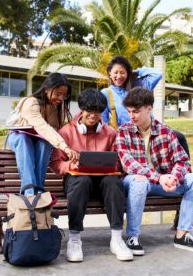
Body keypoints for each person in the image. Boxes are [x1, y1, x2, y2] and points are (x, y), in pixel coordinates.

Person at [115, 87, 193, 255]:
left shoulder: (165, 131)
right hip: (137, 182)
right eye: (129, 112)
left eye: (135, 111)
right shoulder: (123, 132)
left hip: (164, 183)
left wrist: (174, 177)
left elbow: (182, 160)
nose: (131, 116)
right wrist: (159, 178)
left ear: (149, 108)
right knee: (139, 180)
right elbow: (129, 165)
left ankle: (182, 234)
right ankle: (132, 237)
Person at [50, 89, 133, 262]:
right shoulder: (66, 132)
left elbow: (119, 160)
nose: (94, 116)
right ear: (81, 109)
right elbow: (56, 163)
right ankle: (74, 238)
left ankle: (117, 239)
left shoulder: (110, 132)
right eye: (90, 111)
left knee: (113, 181)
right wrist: (70, 165)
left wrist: (113, 165)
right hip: (77, 183)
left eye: (98, 112)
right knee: (81, 180)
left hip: (103, 183)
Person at [100, 56, 191, 157]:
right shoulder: (106, 93)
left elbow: (157, 74)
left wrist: (137, 71)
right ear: (109, 72)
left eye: (122, 72)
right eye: (115, 72)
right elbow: (104, 123)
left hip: (150, 131)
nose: (119, 76)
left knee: (179, 137)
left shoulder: (140, 85)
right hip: (127, 135)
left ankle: (185, 170)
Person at [5, 72, 79, 195]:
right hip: (18, 138)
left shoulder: (56, 108)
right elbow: (44, 128)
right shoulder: (31, 103)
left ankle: (38, 188)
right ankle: (29, 191)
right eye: (58, 94)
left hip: (38, 141)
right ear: (46, 89)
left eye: (64, 95)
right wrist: (65, 147)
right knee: (24, 140)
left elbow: (56, 131)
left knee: (45, 143)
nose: (61, 99)